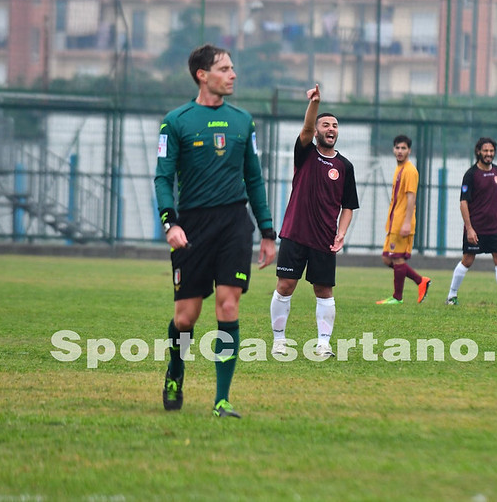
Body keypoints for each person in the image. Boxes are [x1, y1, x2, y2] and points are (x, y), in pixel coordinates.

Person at [154, 44, 277, 418]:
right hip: (192, 227)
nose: (232, 74)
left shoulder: (243, 121)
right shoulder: (175, 121)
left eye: (232, 68)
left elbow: (254, 178)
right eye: (224, 69)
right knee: (185, 318)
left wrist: (267, 231)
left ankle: (222, 400)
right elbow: (163, 178)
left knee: (228, 304)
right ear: (202, 75)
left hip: (234, 223)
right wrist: (170, 223)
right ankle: (176, 371)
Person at [269, 84, 359, 358]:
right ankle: (279, 341)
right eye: (325, 125)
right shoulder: (306, 153)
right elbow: (306, 129)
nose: (331, 129)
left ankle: (323, 344)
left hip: (323, 239)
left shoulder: (345, 166)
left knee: (324, 290)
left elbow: (348, 206)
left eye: (335, 126)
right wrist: (315, 104)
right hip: (295, 233)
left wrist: (341, 233)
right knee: (285, 286)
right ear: (317, 131)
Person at [446, 137, 497, 308]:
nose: (489, 154)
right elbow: (463, 202)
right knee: (467, 260)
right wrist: (469, 229)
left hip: (494, 226)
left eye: (491, 151)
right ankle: (451, 296)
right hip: (477, 226)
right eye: (485, 150)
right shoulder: (471, 175)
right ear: (478, 152)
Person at [375, 134, 431, 305]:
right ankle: (420, 281)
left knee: (398, 259)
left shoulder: (410, 171)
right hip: (393, 222)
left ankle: (397, 297)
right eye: (397, 148)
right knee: (387, 258)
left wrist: (407, 222)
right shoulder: (399, 168)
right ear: (393, 149)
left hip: (402, 222)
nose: (400, 151)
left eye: (403, 148)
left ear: (409, 150)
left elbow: (411, 197)